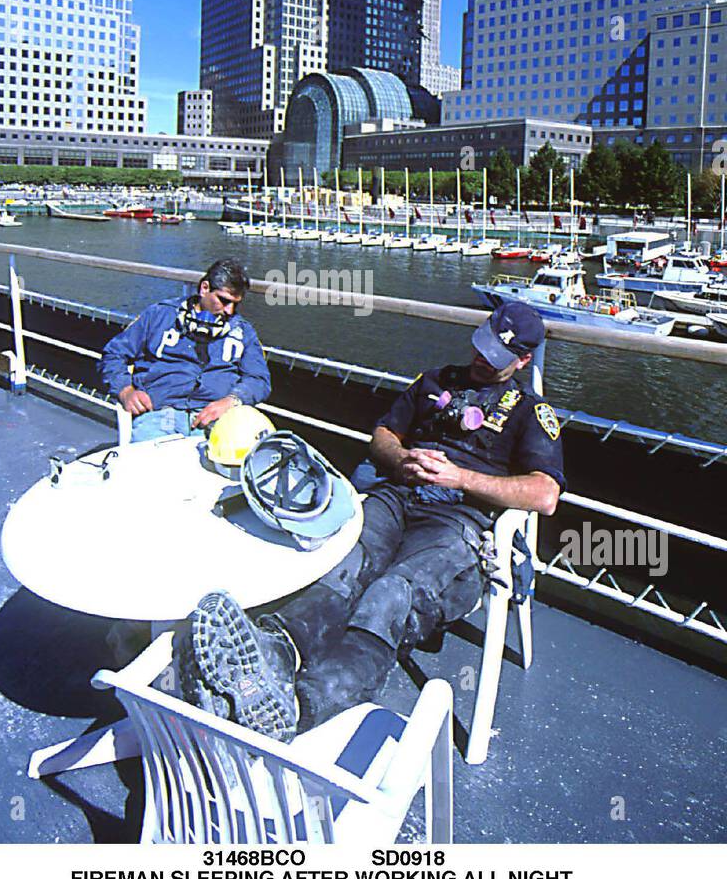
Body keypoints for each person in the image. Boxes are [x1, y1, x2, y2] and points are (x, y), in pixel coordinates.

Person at [176, 301, 565, 741]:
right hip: (397, 495)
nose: (481, 358)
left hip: (459, 519)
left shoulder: (530, 412)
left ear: (523, 360)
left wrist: (460, 477)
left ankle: (303, 706)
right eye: (482, 346)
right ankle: (274, 651)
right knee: (347, 562)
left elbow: (545, 494)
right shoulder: (436, 381)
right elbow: (383, 435)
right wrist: (400, 458)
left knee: (393, 592)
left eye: (495, 356)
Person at [99, 258, 271, 442]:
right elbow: (113, 354)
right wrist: (125, 391)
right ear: (204, 288)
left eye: (236, 304)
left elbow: (259, 379)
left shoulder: (243, 332)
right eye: (223, 300)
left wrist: (232, 401)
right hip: (161, 414)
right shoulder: (159, 315)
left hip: (217, 421)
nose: (229, 311)